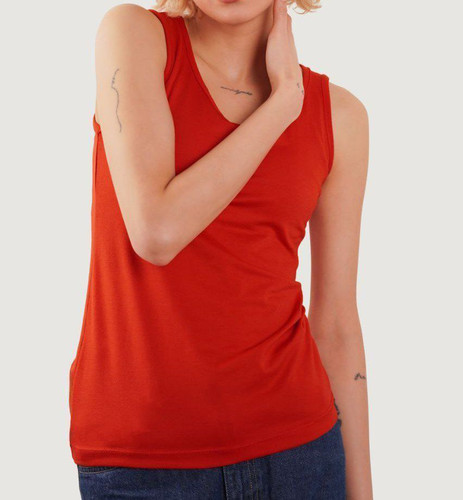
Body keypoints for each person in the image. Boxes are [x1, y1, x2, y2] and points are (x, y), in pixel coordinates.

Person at [69, 0, 372, 498]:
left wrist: (362, 492)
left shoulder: (340, 116)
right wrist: (283, 103)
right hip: (142, 461)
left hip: (300, 453)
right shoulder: (135, 36)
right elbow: (156, 232)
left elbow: (336, 323)